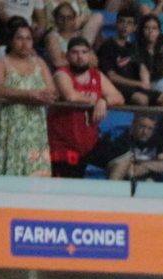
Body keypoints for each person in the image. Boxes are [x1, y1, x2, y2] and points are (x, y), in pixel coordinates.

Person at [48, 37, 123, 178]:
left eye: (84, 52)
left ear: (90, 55)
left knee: (122, 158)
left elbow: (119, 97)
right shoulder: (61, 74)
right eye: (75, 52)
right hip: (64, 145)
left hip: (90, 143)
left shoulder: (97, 75)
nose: (80, 57)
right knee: (70, 186)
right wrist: (97, 101)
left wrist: (104, 101)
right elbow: (71, 96)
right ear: (67, 56)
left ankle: (110, 191)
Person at [0, 21, 53, 176]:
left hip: (35, 129)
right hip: (8, 126)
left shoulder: (40, 63)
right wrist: (29, 95)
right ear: (11, 41)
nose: (25, 43)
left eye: (28, 38)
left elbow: (51, 91)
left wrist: (40, 96)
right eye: (19, 38)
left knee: (35, 174)